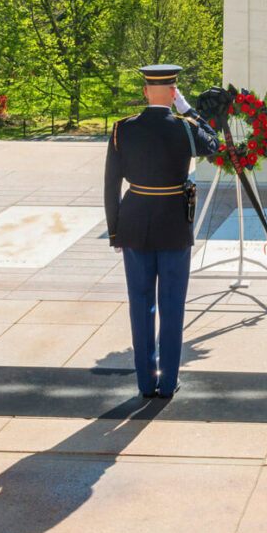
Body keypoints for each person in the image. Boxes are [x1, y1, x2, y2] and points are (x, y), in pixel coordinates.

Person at [104, 65, 220, 399]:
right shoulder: (185, 128)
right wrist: (188, 110)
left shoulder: (122, 130)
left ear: (144, 92)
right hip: (173, 224)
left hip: (134, 223)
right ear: (174, 92)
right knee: (172, 305)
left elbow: (111, 184)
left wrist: (115, 232)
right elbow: (213, 143)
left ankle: (145, 383)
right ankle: (168, 382)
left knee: (140, 305)